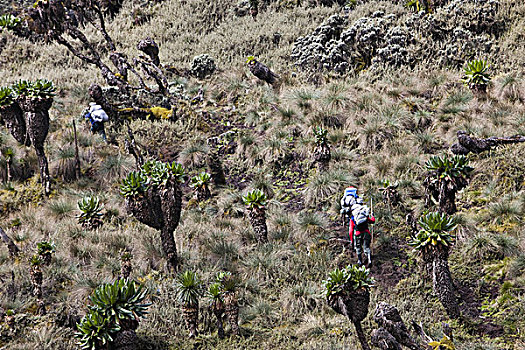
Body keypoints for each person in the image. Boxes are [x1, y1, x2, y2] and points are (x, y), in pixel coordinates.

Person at [350, 198, 375, 268]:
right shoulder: (364, 214)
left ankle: (360, 261)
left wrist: (352, 240)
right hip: (366, 233)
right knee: (366, 247)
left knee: (358, 247)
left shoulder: (353, 217)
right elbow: (372, 221)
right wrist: (372, 216)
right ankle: (369, 260)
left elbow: (351, 230)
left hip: (358, 234)